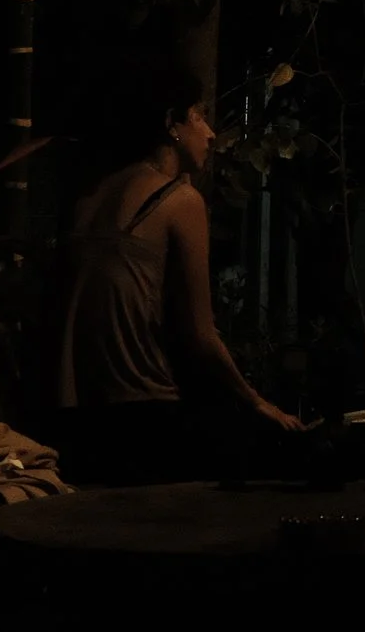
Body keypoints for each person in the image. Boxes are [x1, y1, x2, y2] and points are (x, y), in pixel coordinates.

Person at [47, 51, 303, 484]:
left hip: (72, 413)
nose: (209, 132)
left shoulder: (88, 198)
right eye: (198, 117)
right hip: (143, 414)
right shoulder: (177, 202)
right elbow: (199, 333)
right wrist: (258, 403)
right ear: (172, 125)